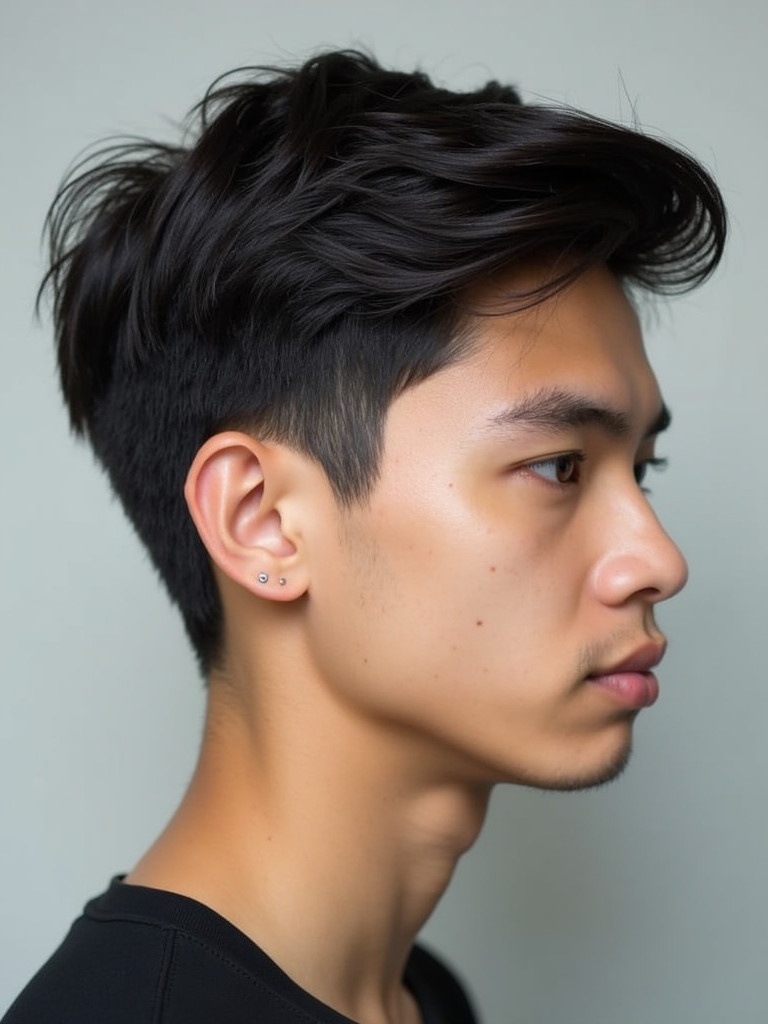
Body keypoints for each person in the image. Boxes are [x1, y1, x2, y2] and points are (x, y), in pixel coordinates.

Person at [3, 49, 725, 1024]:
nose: (658, 559)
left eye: (641, 469)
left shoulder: (421, 998)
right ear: (262, 520)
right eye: (559, 465)